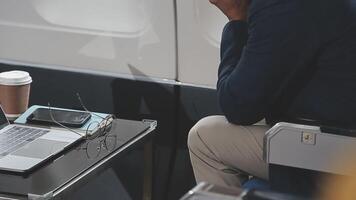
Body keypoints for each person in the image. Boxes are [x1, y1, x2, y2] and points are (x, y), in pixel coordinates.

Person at [188, 0, 356, 188]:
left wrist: (236, 17)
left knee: (204, 139)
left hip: (334, 152)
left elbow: (237, 106)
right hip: (334, 130)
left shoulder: (282, 7)